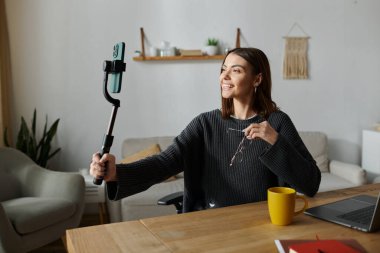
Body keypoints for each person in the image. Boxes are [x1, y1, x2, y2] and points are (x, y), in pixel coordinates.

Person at [90, 47, 321, 213]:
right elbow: (164, 163)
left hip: (261, 223)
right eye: (223, 69)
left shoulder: (277, 123)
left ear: (257, 79)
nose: (225, 76)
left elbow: (311, 184)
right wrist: (116, 173)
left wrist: (275, 141)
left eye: (236, 70)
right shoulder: (205, 124)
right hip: (211, 221)